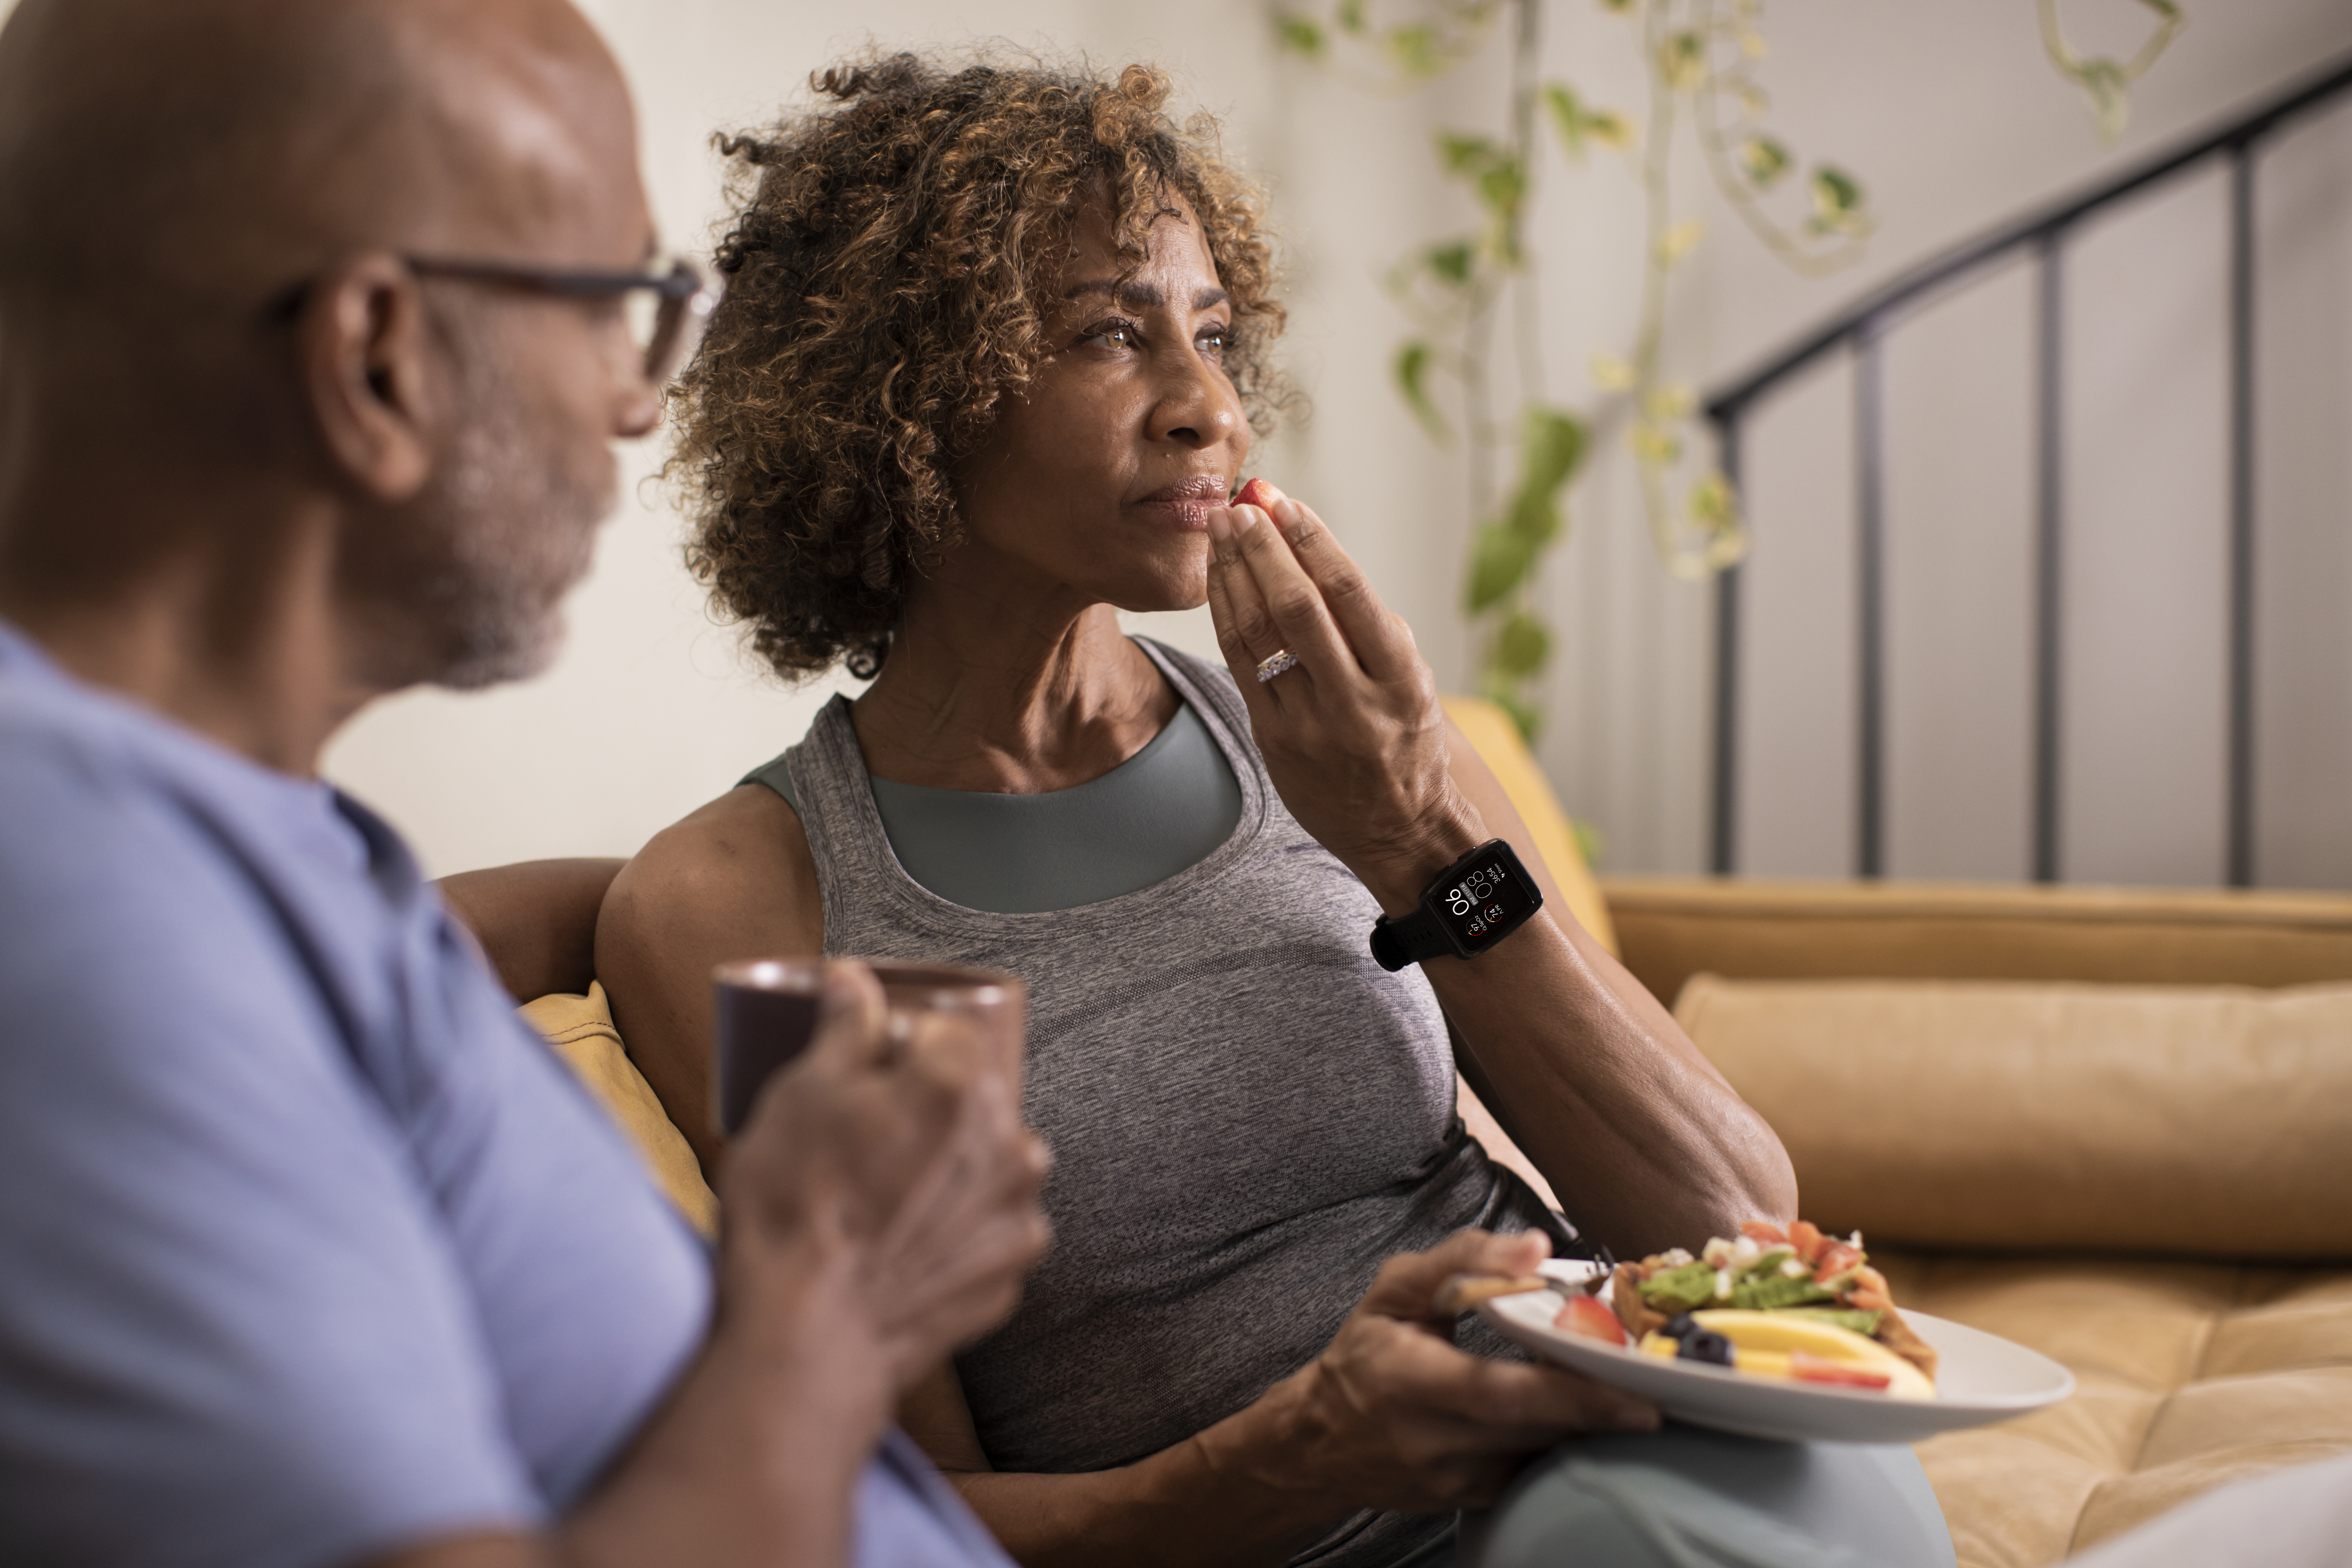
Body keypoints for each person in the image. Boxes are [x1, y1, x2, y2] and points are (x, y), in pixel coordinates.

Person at [597, 54, 1949, 1567]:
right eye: (1112, 334)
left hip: (1648, 1435)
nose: (1213, 410)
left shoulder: (1334, 732)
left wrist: (1417, 838)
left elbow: (1732, 1226)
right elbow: (898, 1520)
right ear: (903, 397)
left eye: (1216, 336)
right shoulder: (748, 902)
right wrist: (1292, 1457)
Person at [0, 4, 1050, 1566]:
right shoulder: (82, 910)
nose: (642, 404)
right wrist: (833, 1300)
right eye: (622, 304)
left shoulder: (244, 847)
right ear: (377, 360)